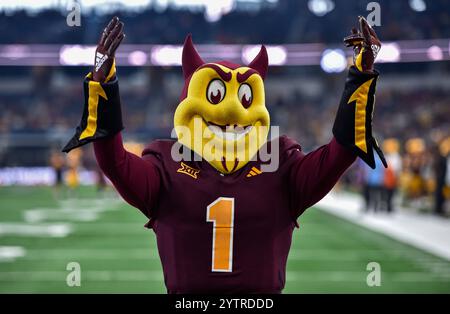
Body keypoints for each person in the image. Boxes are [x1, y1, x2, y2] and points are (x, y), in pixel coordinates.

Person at [63, 16, 386, 293]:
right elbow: (115, 163)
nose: (232, 113)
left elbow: (339, 153)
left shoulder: (281, 163)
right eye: (216, 96)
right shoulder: (168, 163)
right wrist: (105, 82)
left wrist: (360, 74)